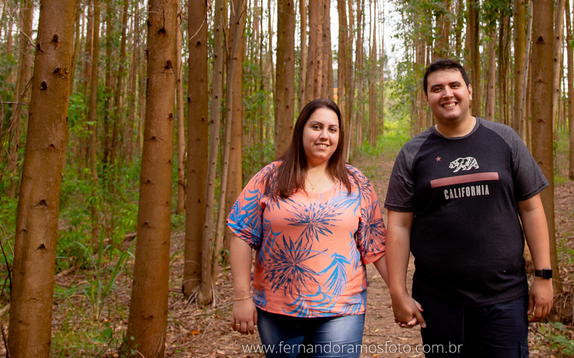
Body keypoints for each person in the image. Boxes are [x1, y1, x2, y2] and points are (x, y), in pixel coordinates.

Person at [386, 57, 554, 357]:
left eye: (454, 85)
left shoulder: (505, 140)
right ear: (427, 98)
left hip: (504, 299)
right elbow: (399, 224)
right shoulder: (413, 153)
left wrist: (543, 276)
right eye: (437, 89)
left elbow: (531, 208)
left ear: (470, 91)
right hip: (438, 301)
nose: (447, 94)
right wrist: (398, 294)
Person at [228, 98, 389, 357]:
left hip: (341, 309)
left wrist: (399, 294)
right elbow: (241, 234)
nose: (324, 135)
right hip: (276, 308)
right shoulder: (270, 177)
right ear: (301, 130)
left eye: (332, 129)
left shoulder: (356, 183)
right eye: (316, 127)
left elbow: (375, 246)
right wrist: (241, 298)